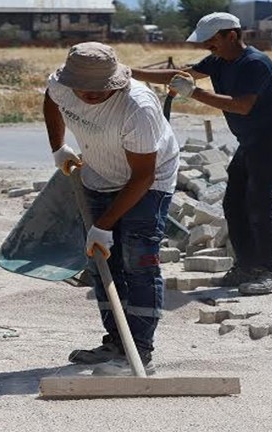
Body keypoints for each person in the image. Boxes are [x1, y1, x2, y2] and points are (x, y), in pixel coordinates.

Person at [132, 12, 272, 295]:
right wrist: (129, 73)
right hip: (252, 142)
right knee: (234, 203)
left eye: (212, 41)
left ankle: (271, 272)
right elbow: (179, 77)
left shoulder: (255, 64)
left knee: (259, 203)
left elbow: (241, 106)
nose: (207, 47)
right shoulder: (219, 60)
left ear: (231, 35)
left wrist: (193, 92)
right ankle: (247, 267)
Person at [43, 42, 179, 375]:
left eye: (98, 89)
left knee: (138, 260)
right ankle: (117, 344)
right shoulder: (60, 85)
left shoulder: (138, 106)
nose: (89, 95)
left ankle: (139, 351)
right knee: (104, 262)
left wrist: (103, 225)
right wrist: (58, 147)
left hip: (148, 182)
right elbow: (50, 101)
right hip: (98, 173)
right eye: (83, 88)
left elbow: (143, 176)